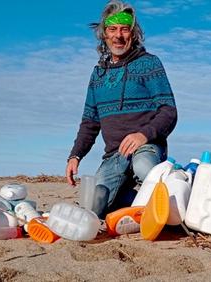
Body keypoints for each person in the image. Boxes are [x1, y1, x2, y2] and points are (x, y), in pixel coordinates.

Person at [65, 0, 177, 218]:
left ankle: (174, 202)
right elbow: (90, 121)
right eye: (112, 29)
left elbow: (168, 111)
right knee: (94, 207)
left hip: (147, 147)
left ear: (133, 34)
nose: (118, 35)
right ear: (104, 34)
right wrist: (75, 156)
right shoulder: (98, 75)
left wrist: (143, 135)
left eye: (125, 29)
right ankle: (131, 198)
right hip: (114, 156)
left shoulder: (149, 64)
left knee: (144, 166)